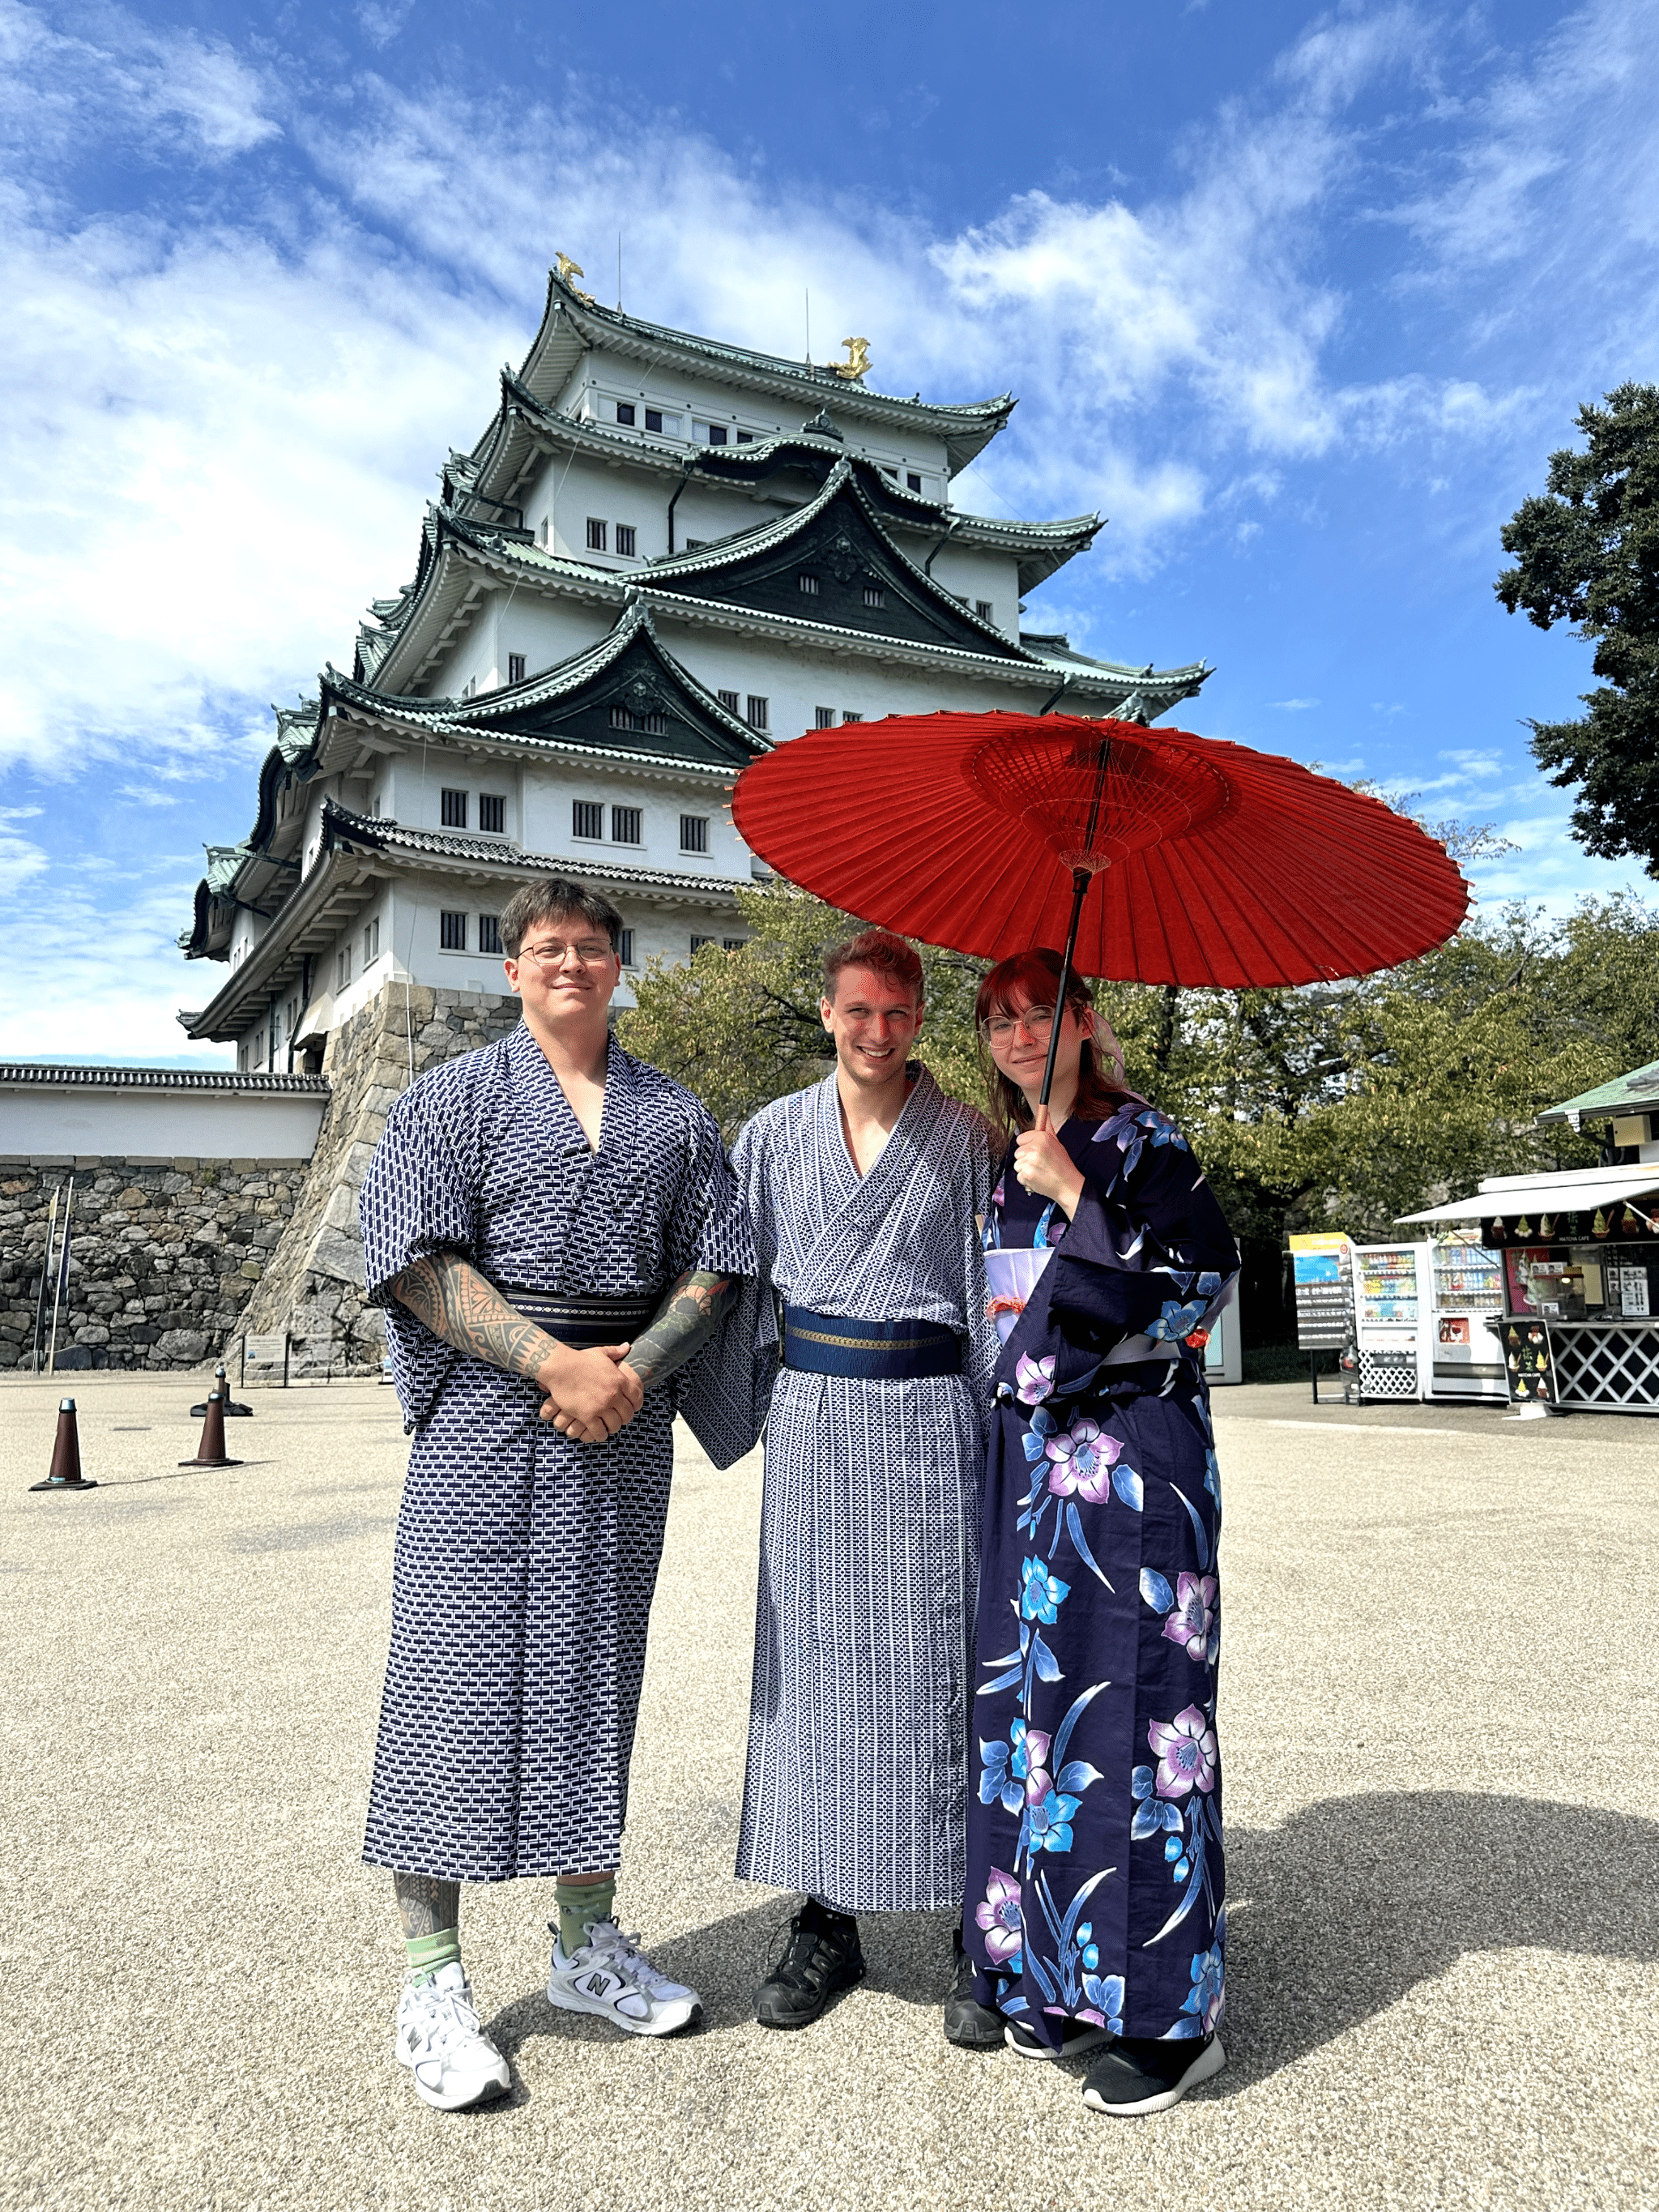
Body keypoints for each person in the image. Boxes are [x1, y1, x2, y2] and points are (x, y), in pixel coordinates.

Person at [357, 875, 753, 2111]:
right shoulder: (450, 1099)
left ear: (621, 964)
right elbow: (415, 1259)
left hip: (623, 1415)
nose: (569, 962)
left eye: (589, 945)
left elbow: (720, 1257)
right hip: (489, 1412)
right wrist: (550, 1360)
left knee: (596, 1673)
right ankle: (432, 1980)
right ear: (513, 968)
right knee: (450, 1677)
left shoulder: (676, 1117)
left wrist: (631, 1366)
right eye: (545, 947)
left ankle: (586, 1942)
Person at [960, 947, 1239, 2117]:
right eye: (1002, 1018)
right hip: (1038, 1469)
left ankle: (1174, 2019)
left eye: (1044, 1010)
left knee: (1144, 1714)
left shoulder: (1143, 1141)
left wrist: (1082, 1196)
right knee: (1043, 1726)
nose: (1023, 1033)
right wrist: (1044, 1184)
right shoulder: (1005, 1161)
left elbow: (1202, 1277)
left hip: (1132, 1458)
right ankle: (1063, 1973)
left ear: (1087, 1022)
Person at [714, 929, 1004, 2046]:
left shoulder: (971, 1139)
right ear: (828, 1012)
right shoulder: (774, 1135)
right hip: (819, 1424)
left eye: (898, 1013)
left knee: (944, 1661)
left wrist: (1001, 1440)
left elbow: (993, 1299)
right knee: (820, 1663)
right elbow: (735, 1289)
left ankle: (979, 1925)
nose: (878, 1032)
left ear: (919, 1019)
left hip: (933, 1422)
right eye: (859, 1011)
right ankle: (825, 1915)